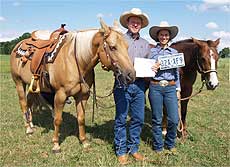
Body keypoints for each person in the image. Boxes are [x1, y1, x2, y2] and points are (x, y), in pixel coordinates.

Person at [113, 8, 151, 165]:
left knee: (138, 118)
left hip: (140, 85)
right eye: (132, 21)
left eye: (138, 22)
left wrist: (153, 67)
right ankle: (121, 150)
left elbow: (149, 63)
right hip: (122, 85)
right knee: (121, 118)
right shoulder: (119, 39)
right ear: (127, 23)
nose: (135, 24)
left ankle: (133, 149)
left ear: (141, 25)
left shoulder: (146, 44)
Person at [148, 21, 181, 154]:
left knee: (173, 119)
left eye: (166, 35)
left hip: (170, 87)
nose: (164, 37)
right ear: (157, 36)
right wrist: (152, 67)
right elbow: (145, 69)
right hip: (155, 86)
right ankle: (158, 146)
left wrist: (178, 89)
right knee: (156, 118)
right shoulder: (151, 52)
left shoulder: (174, 52)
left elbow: (176, 72)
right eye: (161, 35)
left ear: (169, 36)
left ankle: (170, 143)